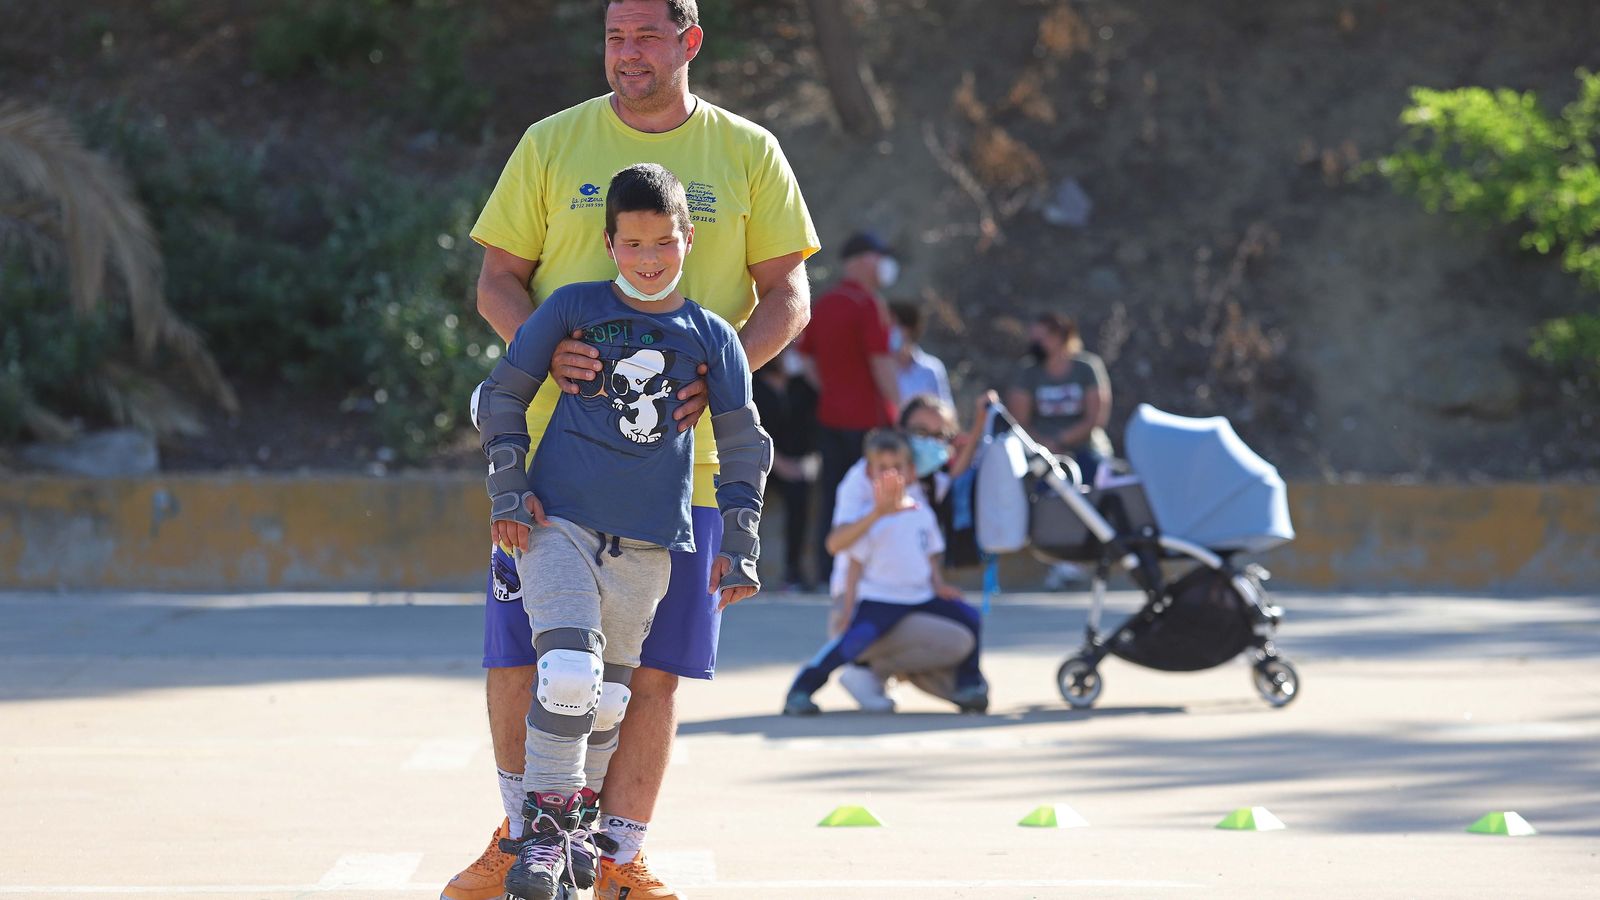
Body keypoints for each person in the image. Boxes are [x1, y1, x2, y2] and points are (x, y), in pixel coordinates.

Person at [453, 2, 818, 897]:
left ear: (689, 41)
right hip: (554, 469)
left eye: (646, 36)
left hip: (681, 471)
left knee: (647, 678)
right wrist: (546, 350)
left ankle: (616, 858)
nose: (627, 53)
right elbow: (497, 279)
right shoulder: (551, 143)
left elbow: (789, 294)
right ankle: (522, 837)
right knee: (525, 661)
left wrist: (721, 374)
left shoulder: (748, 153)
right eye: (615, 36)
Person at [475, 164, 770, 899]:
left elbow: (744, 444)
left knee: (608, 699)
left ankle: (577, 824)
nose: (648, 257)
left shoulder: (713, 337)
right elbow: (501, 394)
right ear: (608, 242)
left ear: (688, 239)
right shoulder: (571, 308)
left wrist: (740, 542)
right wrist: (509, 489)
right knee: (567, 673)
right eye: (632, 242)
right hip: (558, 524)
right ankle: (542, 838)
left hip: (647, 545)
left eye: (662, 242)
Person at [783, 429, 987, 715]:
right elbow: (854, 564)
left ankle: (970, 683)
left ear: (911, 471)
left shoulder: (921, 510)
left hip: (920, 596)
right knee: (850, 643)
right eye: (882, 469)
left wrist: (938, 584)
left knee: (970, 618)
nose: (890, 476)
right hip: (880, 599)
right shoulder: (869, 517)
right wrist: (848, 607)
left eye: (897, 468)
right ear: (869, 472)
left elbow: (930, 552)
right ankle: (803, 688)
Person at [796, 232, 901, 588]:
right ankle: (870, 569)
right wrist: (898, 407)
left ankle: (829, 572)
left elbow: (805, 359)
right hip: (869, 422)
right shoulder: (868, 304)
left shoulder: (824, 303)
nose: (884, 264)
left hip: (830, 418)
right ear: (858, 261)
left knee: (833, 496)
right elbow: (880, 363)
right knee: (872, 495)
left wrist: (831, 389)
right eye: (877, 256)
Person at [1006, 312, 1113, 485]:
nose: (1034, 344)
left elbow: (1095, 418)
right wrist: (1045, 446)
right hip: (1041, 451)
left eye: (1040, 339)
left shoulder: (1086, 368)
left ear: (1059, 337)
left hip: (1085, 448)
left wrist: (1060, 440)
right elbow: (1019, 422)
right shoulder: (1027, 372)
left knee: (1095, 476)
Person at [751, 348, 818, 591]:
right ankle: (743, 566)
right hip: (761, 459)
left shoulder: (803, 386)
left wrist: (810, 460)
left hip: (797, 463)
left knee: (799, 498)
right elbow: (752, 428)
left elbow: (815, 426)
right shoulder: (754, 383)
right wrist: (778, 462)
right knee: (746, 496)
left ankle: (794, 572)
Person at [889, 301, 953, 411]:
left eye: (896, 326)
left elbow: (946, 411)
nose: (890, 331)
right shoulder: (880, 369)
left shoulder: (932, 369)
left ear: (910, 329)